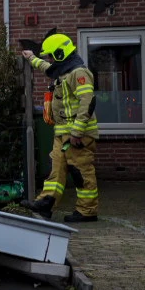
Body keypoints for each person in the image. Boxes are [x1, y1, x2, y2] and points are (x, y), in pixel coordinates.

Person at [21, 33, 99, 222]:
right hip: (63, 134)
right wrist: (32, 58)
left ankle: (87, 211)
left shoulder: (79, 73)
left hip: (77, 136)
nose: (49, 60)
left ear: (60, 54)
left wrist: (77, 132)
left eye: (51, 56)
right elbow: (47, 68)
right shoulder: (64, 70)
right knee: (56, 166)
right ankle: (46, 204)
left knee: (80, 171)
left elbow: (87, 102)